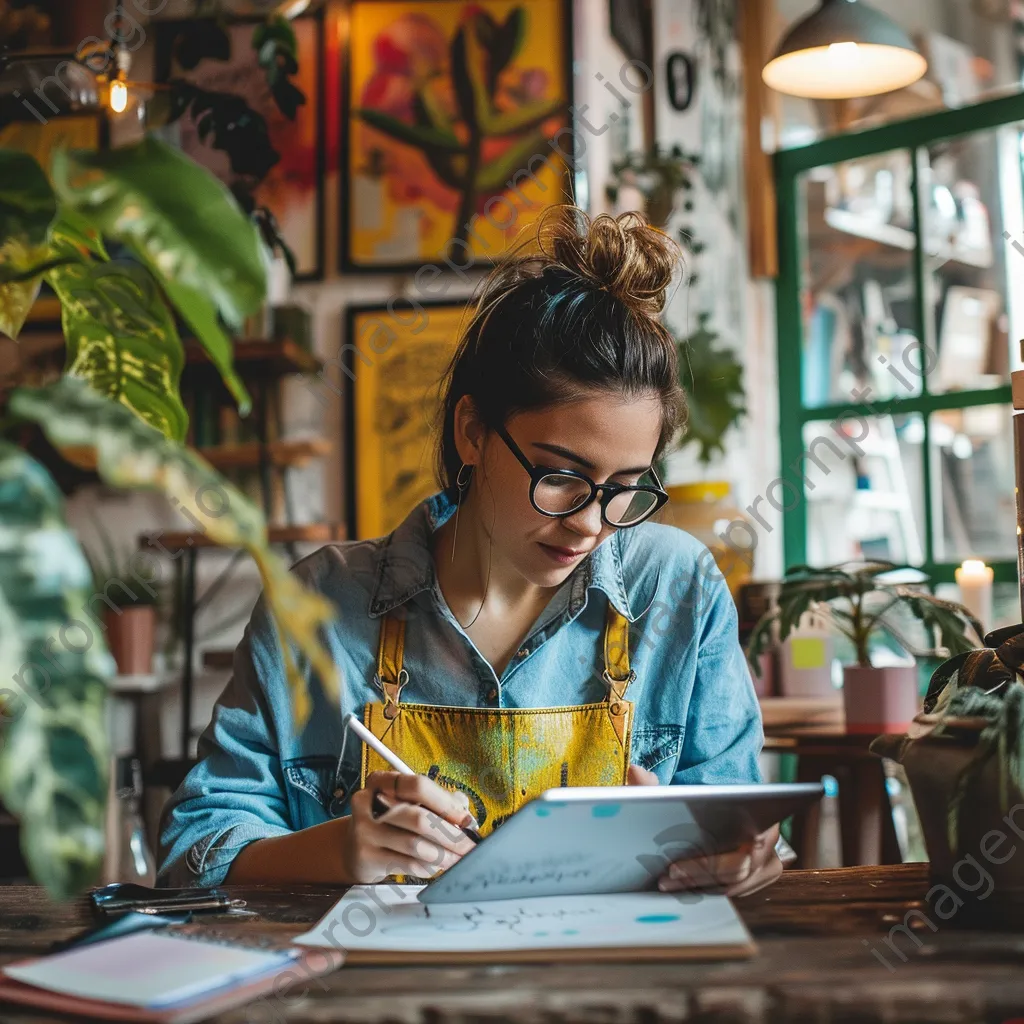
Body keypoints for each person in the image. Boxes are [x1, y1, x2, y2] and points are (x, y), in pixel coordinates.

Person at [158, 209, 780, 896]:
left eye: (624, 489)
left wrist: (745, 862)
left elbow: (745, 834)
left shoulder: (678, 589)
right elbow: (193, 852)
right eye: (562, 478)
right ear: (473, 431)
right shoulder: (320, 607)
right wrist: (341, 851)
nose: (592, 524)